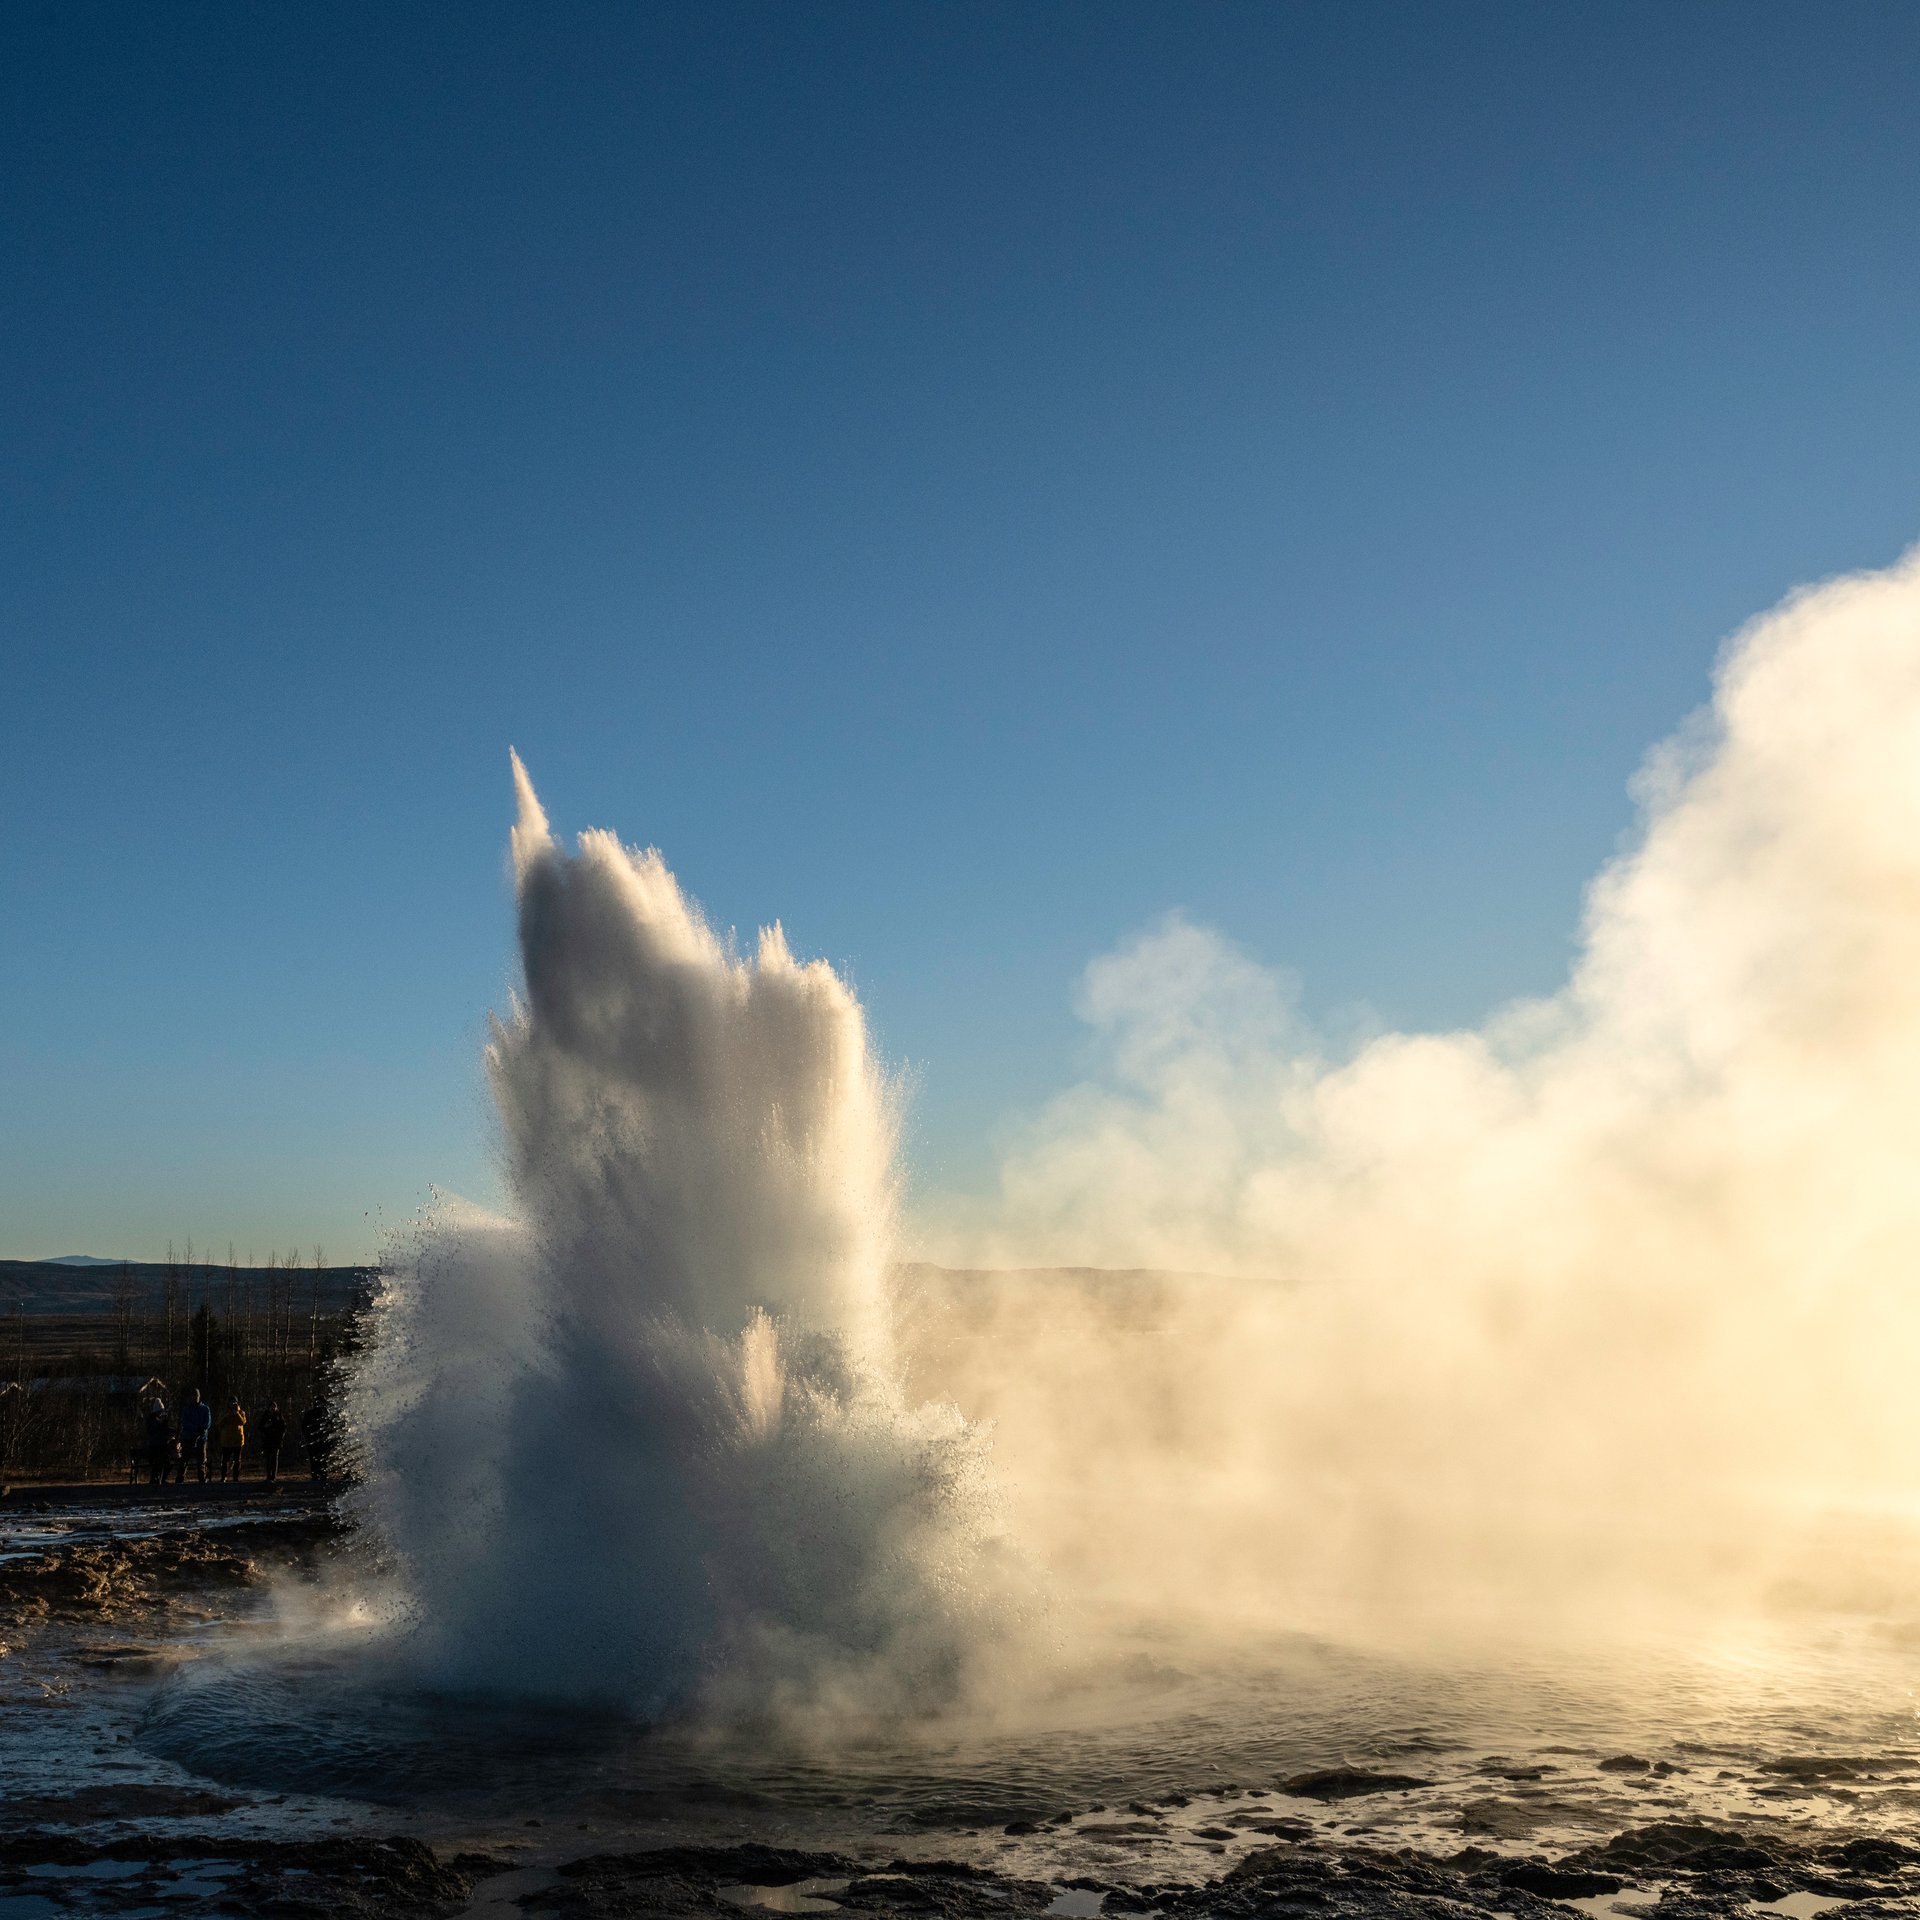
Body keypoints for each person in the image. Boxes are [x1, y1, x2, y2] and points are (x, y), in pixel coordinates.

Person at [178, 1388, 212, 1484]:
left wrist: (200, 1430)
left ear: (199, 1396)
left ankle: (202, 1479)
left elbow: (208, 1423)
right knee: (184, 1459)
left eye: (196, 1396)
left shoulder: (205, 1409)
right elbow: (185, 1422)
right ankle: (180, 1479)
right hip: (188, 1437)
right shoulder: (187, 1409)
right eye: (193, 1396)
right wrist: (195, 1428)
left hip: (201, 1437)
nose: (194, 1398)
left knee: (201, 1460)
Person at [141, 1394, 172, 1487]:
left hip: (156, 1446)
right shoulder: (153, 1421)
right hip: (156, 1447)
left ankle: (158, 1479)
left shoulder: (153, 1420)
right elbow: (158, 1432)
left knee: (163, 1463)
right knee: (162, 1462)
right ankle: (158, 1479)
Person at [257, 1401, 288, 1485]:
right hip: (267, 1440)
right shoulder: (265, 1416)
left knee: (274, 1458)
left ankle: (273, 1476)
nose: (273, 1408)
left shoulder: (279, 1416)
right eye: (271, 1407)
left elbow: (284, 1427)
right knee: (268, 1459)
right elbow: (260, 1428)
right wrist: (265, 1429)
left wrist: (280, 1437)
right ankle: (268, 1475)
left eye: (274, 1407)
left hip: (276, 1441)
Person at [216, 1398, 247, 1481]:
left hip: (238, 1440)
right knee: (225, 1460)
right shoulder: (224, 1412)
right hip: (226, 1441)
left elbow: (242, 1422)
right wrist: (227, 1415)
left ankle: (235, 1477)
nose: (232, 1404)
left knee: (237, 1460)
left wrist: (236, 1413)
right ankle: (223, 1476)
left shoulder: (241, 1412)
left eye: (234, 1402)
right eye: (231, 1402)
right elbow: (218, 1423)